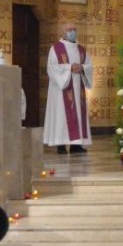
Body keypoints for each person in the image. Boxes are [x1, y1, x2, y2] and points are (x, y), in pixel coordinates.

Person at [43, 22, 91, 153]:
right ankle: (61, 144)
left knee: (78, 114)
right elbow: (52, 67)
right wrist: (69, 68)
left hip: (77, 85)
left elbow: (88, 65)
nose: (73, 32)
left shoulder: (81, 49)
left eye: (75, 29)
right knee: (62, 115)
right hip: (62, 88)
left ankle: (76, 145)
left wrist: (82, 68)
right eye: (70, 30)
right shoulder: (56, 49)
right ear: (62, 33)